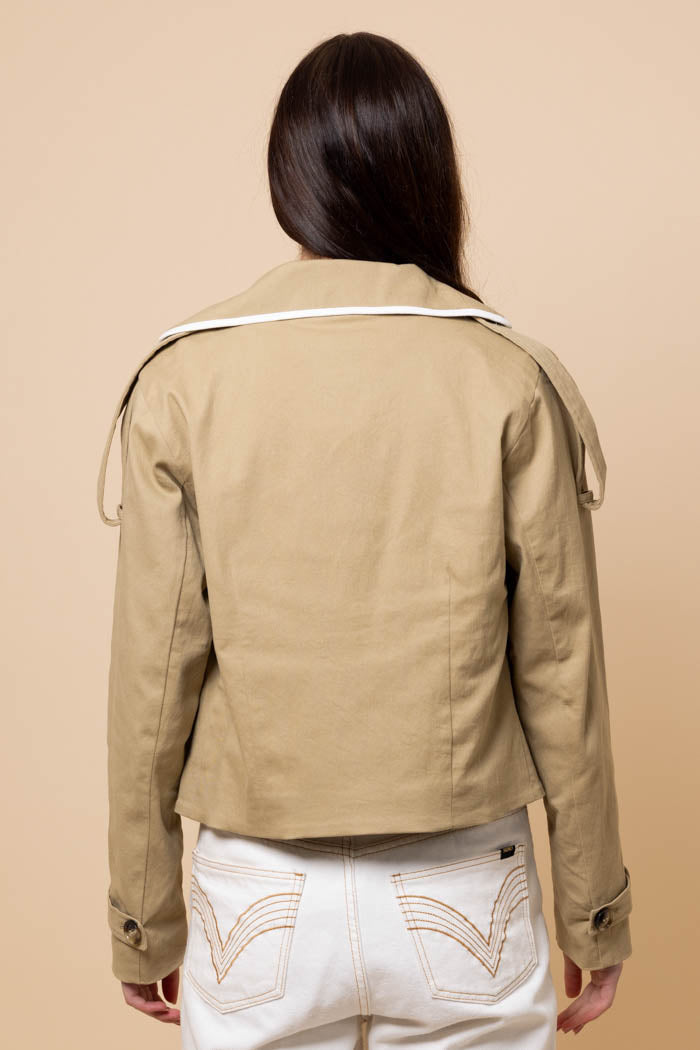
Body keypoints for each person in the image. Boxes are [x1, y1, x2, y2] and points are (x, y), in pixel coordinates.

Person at [97, 30, 632, 1049]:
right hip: (466, 887)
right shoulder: (506, 374)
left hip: (255, 895)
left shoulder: (183, 381)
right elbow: (561, 672)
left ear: (287, 179)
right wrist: (593, 910)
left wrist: (142, 918)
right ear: (429, 173)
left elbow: (151, 685)